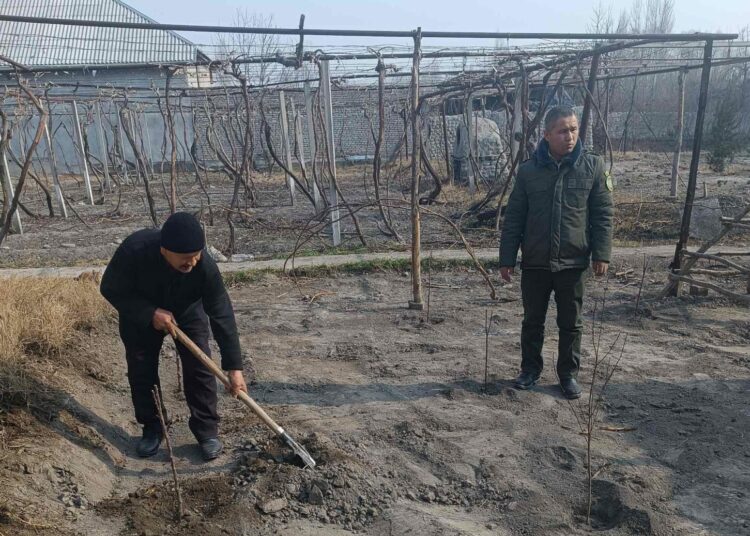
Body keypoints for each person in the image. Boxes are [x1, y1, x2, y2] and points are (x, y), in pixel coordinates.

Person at [100, 212, 248, 460]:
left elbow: (221, 312)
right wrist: (149, 313)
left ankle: (207, 431)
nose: (193, 262)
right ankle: (152, 427)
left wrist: (234, 367)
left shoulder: (204, 266)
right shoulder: (134, 251)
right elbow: (110, 288)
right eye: (186, 257)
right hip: (141, 311)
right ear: (165, 250)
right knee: (141, 369)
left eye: (196, 255)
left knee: (200, 366)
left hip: (187, 309)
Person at [499, 106, 613, 399]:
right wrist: (506, 259)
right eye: (562, 131)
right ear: (547, 135)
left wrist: (602, 253)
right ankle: (529, 370)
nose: (570, 136)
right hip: (536, 262)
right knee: (532, 322)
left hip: (573, 262)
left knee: (571, 323)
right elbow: (514, 218)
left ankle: (568, 375)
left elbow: (602, 214)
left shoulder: (592, 166)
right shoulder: (528, 172)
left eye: (573, 130)